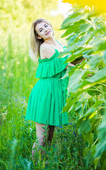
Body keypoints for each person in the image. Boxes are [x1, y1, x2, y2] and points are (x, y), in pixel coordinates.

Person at [25, 18, 73, 158]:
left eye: (46, 26)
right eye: (41, 30)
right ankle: (32, 166)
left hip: (55, 93)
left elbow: (72, 59)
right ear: (39, 36)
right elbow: (66, 63)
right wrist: (86, 73)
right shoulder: (45, 47)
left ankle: (44, 164)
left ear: (50, 26)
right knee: (42, 138)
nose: (45, 29)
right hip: (45, 93)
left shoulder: (59, 44)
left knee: (49, 137)